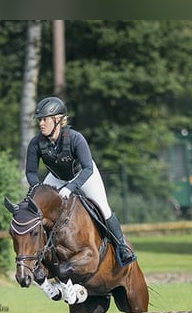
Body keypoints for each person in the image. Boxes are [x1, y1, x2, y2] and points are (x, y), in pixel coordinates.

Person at [24, 96, 136, 265]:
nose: (41, 124)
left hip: (83, 175)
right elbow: (31, 172)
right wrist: (38, 189)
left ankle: (121, 247)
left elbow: (87, 169)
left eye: (44, 119)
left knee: (103, 208)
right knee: (39, 211)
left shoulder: (76, 138)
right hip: (57, 177)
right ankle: (40, 254)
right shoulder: (36, 143)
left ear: (57, 120)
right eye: (40, 120)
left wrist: (70, 188)